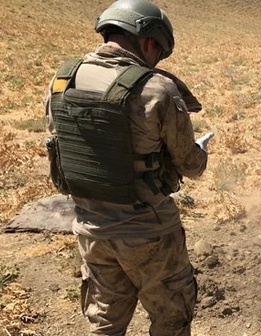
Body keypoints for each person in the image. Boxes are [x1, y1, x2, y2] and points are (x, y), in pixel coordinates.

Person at [43, 0, 213, 334]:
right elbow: (191, 166)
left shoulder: (61, 81)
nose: (157, 60)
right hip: (149, 234)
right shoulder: (157, 89)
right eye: (159, 52)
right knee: (171, 317)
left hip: (91, 230)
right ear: (149, 40)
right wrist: (201, 149)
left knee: (104, 320)